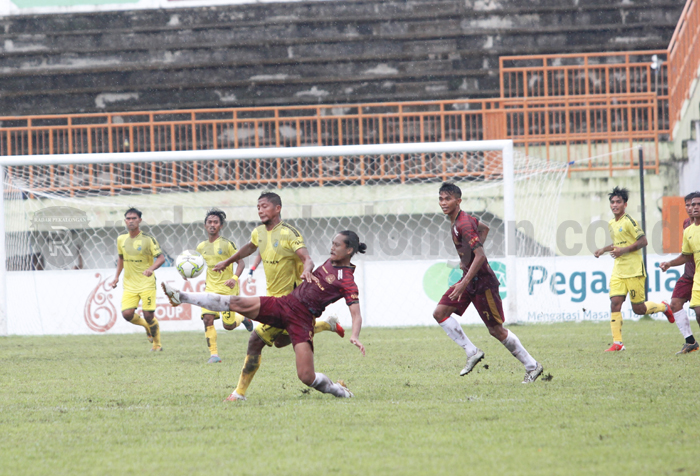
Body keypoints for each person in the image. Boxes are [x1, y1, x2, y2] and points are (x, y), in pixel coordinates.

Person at [163, 231, 366, 398]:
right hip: (285, 303)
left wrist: (355, 336)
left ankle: (340, 391)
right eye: (332, 243)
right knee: (236, 303)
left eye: (337, 245)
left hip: (302, 320)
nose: (332, 247)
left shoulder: (347, 281)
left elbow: (356, 314)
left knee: (306, 376)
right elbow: (307, 262)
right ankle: (181, 296)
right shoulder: (330, 262)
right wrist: (305, 270)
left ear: (349, 250)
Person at [212, 192, 344, 400]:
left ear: (277, 209)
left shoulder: (289, 233)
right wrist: (228, 262)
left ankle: (239, 393)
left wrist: (307, 270)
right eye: (258, 207)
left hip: (293, 303)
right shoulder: (259, 233)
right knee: (282, 341)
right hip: (274, 300)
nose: (260, 210)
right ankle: (326, 324)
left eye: (264, 206)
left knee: (256, 340)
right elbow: (250, 247)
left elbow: (306, 258)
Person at [434, 182, 543, 383]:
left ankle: (532, 366)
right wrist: (465, 261)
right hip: (469, 280)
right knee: (440, 313)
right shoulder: (461, 219)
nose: (443, 203)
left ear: (458, 201)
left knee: (496, 330)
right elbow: (484, 228)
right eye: (441, 198)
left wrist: (464, 281)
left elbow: (481, 255)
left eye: (447, 199)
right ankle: (472, 352)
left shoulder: (463, 224)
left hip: (482, 283)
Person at [594, 186, 675, 351]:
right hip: (619, 270)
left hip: (634, 271)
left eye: (618, 202)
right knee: (615, 303)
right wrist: (604, 249)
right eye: (612, 202)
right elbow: (618, 243)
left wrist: (622, 251)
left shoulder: (629, 221)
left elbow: (643, 241)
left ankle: (663, 307)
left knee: (639, 309)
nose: (615, 205)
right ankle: (618, 343)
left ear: (625, 204)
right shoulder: (611, 223)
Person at [196, 208, 254, 364]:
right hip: (210, 289)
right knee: (207, 319)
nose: (212, 225)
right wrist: (186, 274)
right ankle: (214, 355)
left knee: (228, 326)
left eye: (216, 222)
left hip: (228, 290)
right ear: (205, 225)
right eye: (210, 222)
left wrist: (234, 278)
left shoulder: (228, 244)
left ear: (220, 226)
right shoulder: (201, 247)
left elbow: (241, 262)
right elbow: (197, 265)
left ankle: (242, 318)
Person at [110, 208, 166, 351]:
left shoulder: (148, 239)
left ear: (140, 220)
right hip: (129, 284)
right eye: (128, 218)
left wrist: (150, 269)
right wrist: (116, 277)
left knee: (148, 315)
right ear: (125, 221)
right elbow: (121, 258)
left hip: (146, 283)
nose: (131, 221)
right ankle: (147, 327)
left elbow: (161, 258)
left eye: (134, 218)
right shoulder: (121, 239)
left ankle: (157, 345)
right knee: (127, 314)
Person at [660, 192, 700, 353]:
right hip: (691, 274)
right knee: (675, 304)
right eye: (689, 205)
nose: (692, 208)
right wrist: (669, 263)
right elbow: (686, 253)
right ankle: (690, 342)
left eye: (695, 204)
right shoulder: (687, 226)